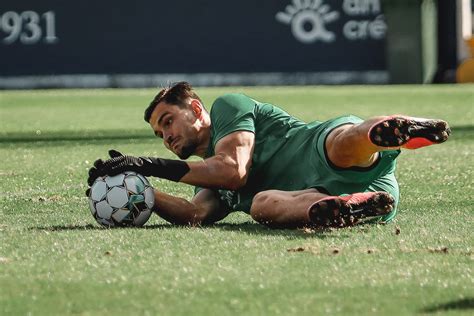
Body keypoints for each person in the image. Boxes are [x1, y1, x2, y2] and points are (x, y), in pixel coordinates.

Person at [86, 82, 451, 228]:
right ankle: (349, 206)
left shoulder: (229, 106)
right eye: (158, 133)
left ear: (196, 110)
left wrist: (143, 162)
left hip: (319, 149)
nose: (165, 136)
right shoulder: (208, 177)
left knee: (342, 146)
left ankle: (401, 129)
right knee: (262, 205)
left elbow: (233, 169)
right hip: (362, 195)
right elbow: (195, 212)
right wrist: (139, 189)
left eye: (168, 121)